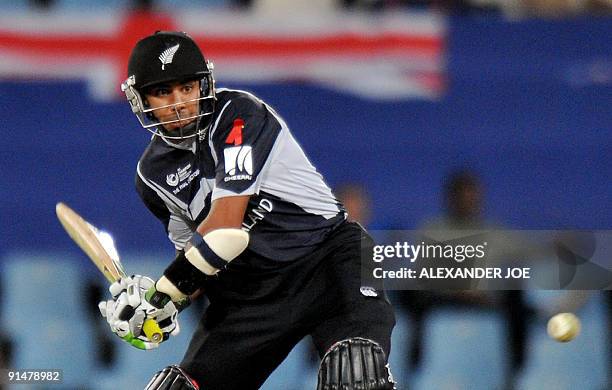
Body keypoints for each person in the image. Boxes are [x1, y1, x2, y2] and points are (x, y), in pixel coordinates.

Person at [97, 31, 395, 390]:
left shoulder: (238, 114)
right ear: (139, 99)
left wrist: (163, 292)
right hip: (251, 293)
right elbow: (199, 261)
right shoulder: (151, 176)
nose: (178, 103)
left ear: (204, 84)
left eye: (187, 88)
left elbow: (225, 227)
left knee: (354, 370)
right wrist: (153, 310)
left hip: (327, 260)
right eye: (162, 92)